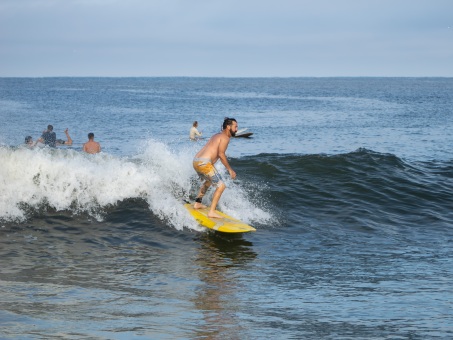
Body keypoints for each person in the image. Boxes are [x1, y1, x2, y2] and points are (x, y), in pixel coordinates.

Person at [192, 117, 238, 218]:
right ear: (228, 127)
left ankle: (197, 202)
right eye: (235, 127)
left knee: (208, 181)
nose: (237, 129)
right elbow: (221, 154)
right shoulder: (225, 138)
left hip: (196, 161)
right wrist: (230, 170)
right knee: (221, 186)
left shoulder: (216, 135)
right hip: (204, 163)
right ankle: (212, 212)